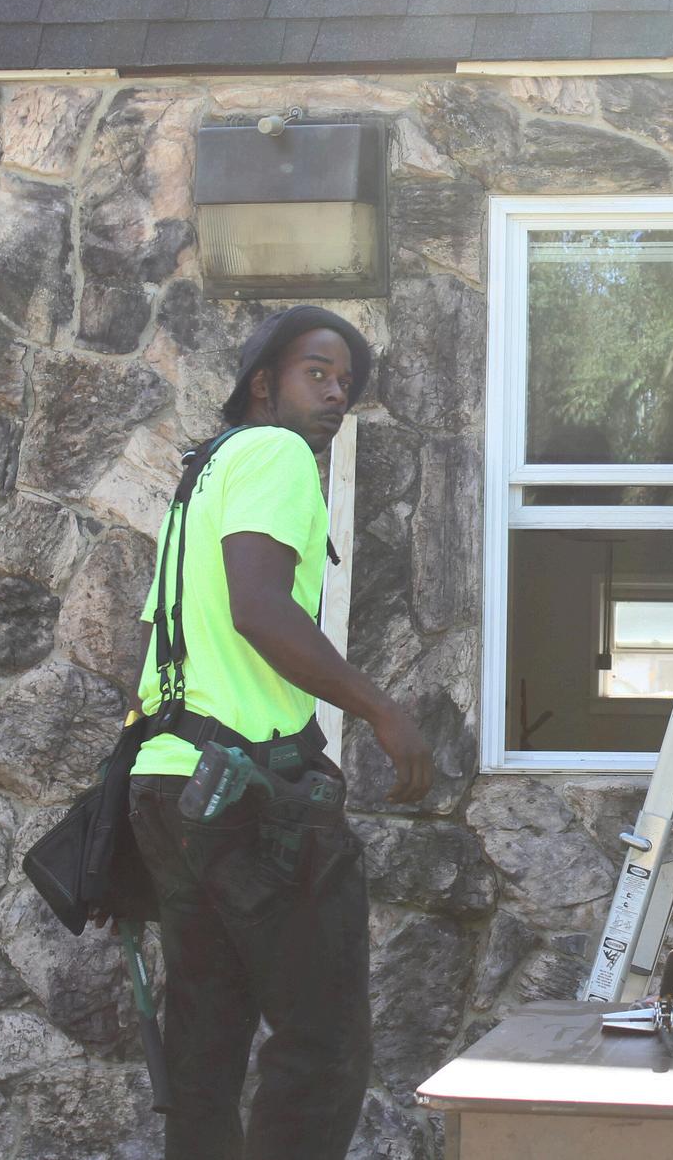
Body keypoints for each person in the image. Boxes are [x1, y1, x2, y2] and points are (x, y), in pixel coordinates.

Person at [125, 305, 435, 1160]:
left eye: (346, 383)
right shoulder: (276, 452)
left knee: (206, 1045)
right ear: (263, 384)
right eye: (318, 372)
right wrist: (381, 708)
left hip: (169, 786)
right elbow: (258, 609)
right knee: (322, 1044)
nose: (336, 393)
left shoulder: (203, 473)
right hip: (249, 791)